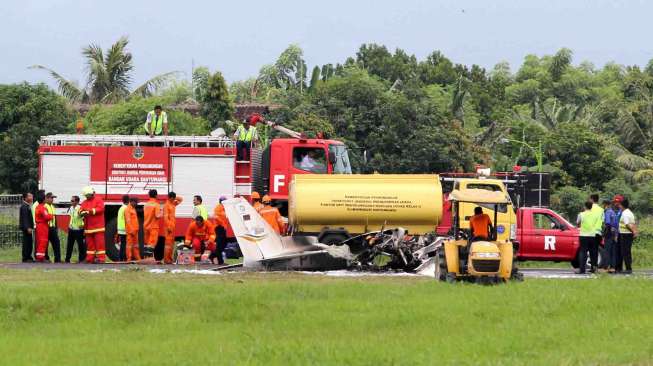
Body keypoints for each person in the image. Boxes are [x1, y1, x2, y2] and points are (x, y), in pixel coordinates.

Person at [80, 186, 106, 263]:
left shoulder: (98, 200)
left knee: (99, 244)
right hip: (88, 227)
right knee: (90, 245)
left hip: (98, 227)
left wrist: (90, 211)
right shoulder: (84, 202)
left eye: (87, 195)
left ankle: (101, 259)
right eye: (86, 196)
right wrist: (82, 213)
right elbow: (80, 210)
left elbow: (101, 209)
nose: (86, 197)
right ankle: (89, 258)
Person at [616, 198, 637, 274]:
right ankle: (628, 268)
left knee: (625, 252)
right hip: (627, 235)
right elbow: (634, 223)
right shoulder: (630, 212)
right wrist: (635, 232)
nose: (619, 206)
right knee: (627, 251)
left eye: (620, 205)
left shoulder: (624, 213)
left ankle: (628, 269)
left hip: (625, 234)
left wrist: (633, 231)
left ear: (622, 206)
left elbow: (627, 224)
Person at [577, 201, 599, 274]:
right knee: (593, 252)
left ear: (585, 206)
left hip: (583, 235)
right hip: (592, 235)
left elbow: (578, 223)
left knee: (583, 252)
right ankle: (594, 269)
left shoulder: (581, 214)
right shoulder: (595, 215)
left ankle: (582, 270)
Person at [163, 192, 183, 264]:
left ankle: (170, 259)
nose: (175, 200)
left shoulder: (173, 204)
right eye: (173, 198)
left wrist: (175, 197)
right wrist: (169, 227)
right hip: (169, 228)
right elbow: (165, 218)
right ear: (171, 198)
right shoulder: (166, 205)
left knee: (171, 244)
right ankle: (166, 259)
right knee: (168, 245)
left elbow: (181, 199)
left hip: (172, 227)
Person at [65, 195, 86, 263]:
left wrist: (83, 225)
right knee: (69, 245)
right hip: (71, 229)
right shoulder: (71, 208)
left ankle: (81, 259)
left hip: (78, 230)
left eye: (72, 201)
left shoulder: (80, 208)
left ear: (77, 202)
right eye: (71, 200)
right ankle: (67, 259)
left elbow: (85, 218)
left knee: (80, 245)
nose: (71, 202)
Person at [34, 192, 53, 262]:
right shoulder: (42, 208)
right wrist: (51, 215)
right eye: (45, 198)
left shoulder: (37, 207)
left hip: (39, 225)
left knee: (39, 241)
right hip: (43, 225)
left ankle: (39, 256)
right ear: (43, 199)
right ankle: (41, 257)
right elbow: (47, 217)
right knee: (43, 240)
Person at [143, 189, 162, 258]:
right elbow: (157, 215)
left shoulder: (146, 205)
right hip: (153, 227)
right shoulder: (156, 205)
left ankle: (146, 258)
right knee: (152, 244)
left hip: (145, 226)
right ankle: (150, 259)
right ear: (156, 195)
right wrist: (161, 212)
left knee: (147, 243)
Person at [602, 199, 619, 272]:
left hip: (609, 233)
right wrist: (616, 234)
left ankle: (606, 267)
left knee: (607, 250)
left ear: (606, 205)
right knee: (613, 251)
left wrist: (605, 232)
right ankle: (613, 267)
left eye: (603, 205)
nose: (603, 206)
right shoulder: (614, 212)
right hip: (614, 233)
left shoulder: (607, 212)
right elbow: (616, 224)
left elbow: (608, 223)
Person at [44, 192, 62, 263]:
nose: (52, 200)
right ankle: (46, 258)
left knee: (56, 243)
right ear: (47, 198)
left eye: (53, 198)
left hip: (53, 228)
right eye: (51, 198)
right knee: (45, 244)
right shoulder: (44, 206)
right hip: (46, 227)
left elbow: (54, 217)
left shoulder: (52, 206)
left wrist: (56, 227)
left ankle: (57, 259)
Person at [589, 193, 604, 266]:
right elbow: (603, 221)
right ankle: (595, 266)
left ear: (592, 199)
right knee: (596, 250)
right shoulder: (601, 210)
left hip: (591, 232)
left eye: (589, 199)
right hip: (598, 232)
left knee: (591, 250)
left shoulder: (590, 208)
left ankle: (592, 266)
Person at [19, 192, 34, 262]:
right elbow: (25, 218)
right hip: (26, 228)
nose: (31, 197)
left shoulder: (27, 205)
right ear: (25, 198)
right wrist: (28, 227)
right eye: (30, 196)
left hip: (28, 228)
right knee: (26, 242)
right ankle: (25, 257)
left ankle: (29, 256)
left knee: (29, 242)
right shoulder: (24, 206)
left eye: (31, 196)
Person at [125, 197, 141, 262]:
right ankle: (129, 258)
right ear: (132, 202)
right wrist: (131, 230)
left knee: (136, 245)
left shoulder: (133, 208)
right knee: (129, 245)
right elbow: (128, 221)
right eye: (136, 202)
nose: (136, 204)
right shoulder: (127, 209)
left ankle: (137, 258)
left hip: (135, 231)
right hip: (131, 231)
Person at [116, 195, 129, 261]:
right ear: (128, 201)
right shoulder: (126, 208)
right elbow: (127, 219)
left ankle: (121, 258)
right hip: (124, 229)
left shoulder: (121, 208)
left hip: (120, 229)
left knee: (122, 244)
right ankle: (123, 258)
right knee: (124, 245)